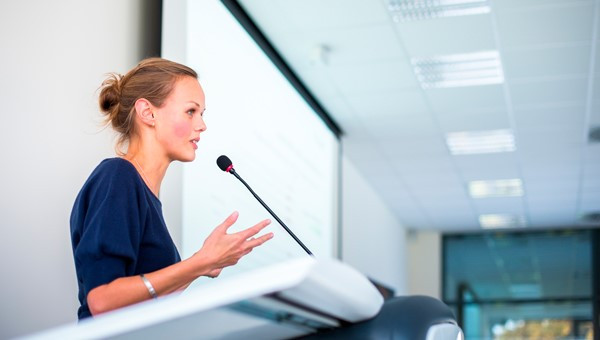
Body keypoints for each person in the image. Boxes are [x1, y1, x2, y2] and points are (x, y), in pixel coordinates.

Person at [70, 58, 273, 320]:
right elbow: (102, 301)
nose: (202, 125)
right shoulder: (117, 177)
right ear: (148, 113)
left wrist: (203, 264)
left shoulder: (142, 192)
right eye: (191, 111)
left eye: (202, 114)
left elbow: (146, 306)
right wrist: (200, 261)